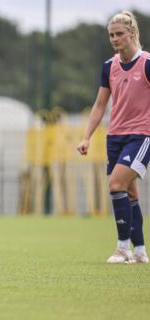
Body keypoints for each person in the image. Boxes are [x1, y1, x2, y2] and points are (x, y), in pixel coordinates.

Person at [77, 11, 150, 264]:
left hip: (141, 136)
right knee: (129, 194)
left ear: (132, 33)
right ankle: (140, 251)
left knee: (116, 184)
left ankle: (122, 248)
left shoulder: (147, 63)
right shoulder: (109, 66)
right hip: (115, 136)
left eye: (119, 34)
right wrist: (86, 137)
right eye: (111, 35)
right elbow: (99, 105)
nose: (115, 39)